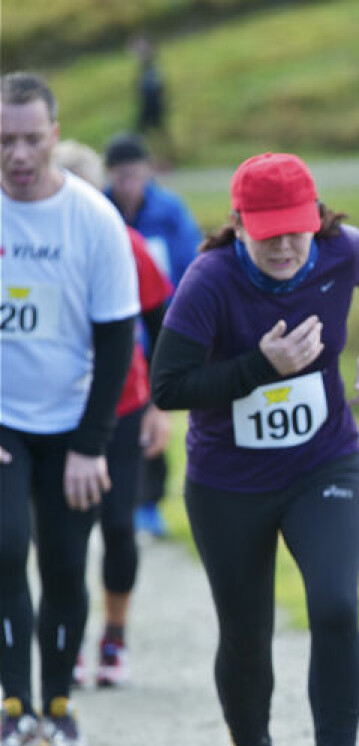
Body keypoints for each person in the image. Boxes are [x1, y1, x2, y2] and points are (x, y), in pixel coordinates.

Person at [150, 151, 359, 746]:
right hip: (228, 484)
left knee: (336, 604)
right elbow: (167, 387)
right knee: (246, 630)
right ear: (239, 226)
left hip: (324, 463)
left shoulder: (337, 251)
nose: (287, 245)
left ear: (315, 219)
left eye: (297, 228)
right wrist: (263, 367)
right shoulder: (209, 281)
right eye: (269, 233)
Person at [0, 73, 138, 746]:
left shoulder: (92, 218)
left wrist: (92, 445)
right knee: (2, 546)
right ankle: (11, 708)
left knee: (61, 566)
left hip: (73, 421)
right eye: (4, 141)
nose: (18, 154)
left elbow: (117, 337)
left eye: (31, 138)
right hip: (2, 420)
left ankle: (58, 709)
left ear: (54, 134)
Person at [55, 140, 175, 688]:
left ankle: (114, 637)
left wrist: (156, 404)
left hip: (124, 405)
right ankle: (70, 638)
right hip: (56, 414)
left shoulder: (124, 243)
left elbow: (163, 325)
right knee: (64, 536)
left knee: (120, 527)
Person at [104, 130, 202, 537]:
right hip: (116, 337)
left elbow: (190, 268)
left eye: (136, 174)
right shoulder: (100, 211)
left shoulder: (170, 212)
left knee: (156, 420)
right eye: (121, 176)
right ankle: (112, 496)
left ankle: (150, 503)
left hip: (162, 329)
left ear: (148, 172)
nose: (129, 184)